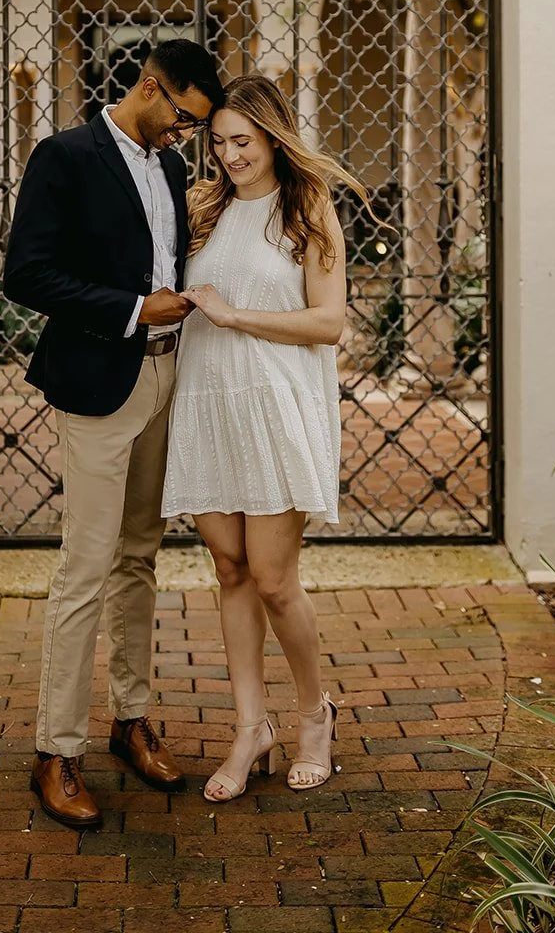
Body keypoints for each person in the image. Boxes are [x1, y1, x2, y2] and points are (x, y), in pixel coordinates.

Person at [3, 38, 224, 829]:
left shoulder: (167, 168)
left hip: (168, 380)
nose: (183, 139)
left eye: (194, 129)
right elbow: (24, 273)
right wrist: (133, 310)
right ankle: (55, 751)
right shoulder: (62, 156)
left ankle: (131, 719)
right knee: (85, 566)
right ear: (152, 87)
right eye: (182, 121)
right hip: (98, 382)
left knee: (139, 557)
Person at [162, 73, 369, 800]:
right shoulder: (202, 211)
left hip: (275, 408)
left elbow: (327, 323)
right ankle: (250, 729)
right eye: (217, 143)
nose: (228, 156)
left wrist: (235, 315)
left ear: (274, 136)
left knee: (276, 579)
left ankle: (313, 714)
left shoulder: (306, 209)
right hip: (208, 403)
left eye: (242, 141)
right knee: (227, 568)